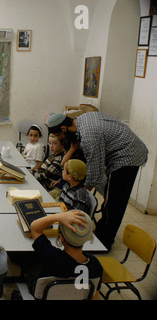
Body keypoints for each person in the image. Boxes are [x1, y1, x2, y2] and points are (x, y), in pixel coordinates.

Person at [46, 112, 148, 251]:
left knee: (115, 200)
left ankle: (104, 241)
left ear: (64, 128)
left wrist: (77, 193)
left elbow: (95, 174)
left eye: (59, 136)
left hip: (128, 156)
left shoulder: (89, 136)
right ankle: (102, 230)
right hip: (126, 150)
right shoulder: (82, 119)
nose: (61, 138)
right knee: (111, 197)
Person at [27, 210, 104, 299]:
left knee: (30, 263)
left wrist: (58, 216)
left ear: (61, 238)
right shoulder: (96, 266)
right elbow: (95, 295)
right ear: (86, 238)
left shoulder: (52, 257)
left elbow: (35, 228)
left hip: (44, 295)